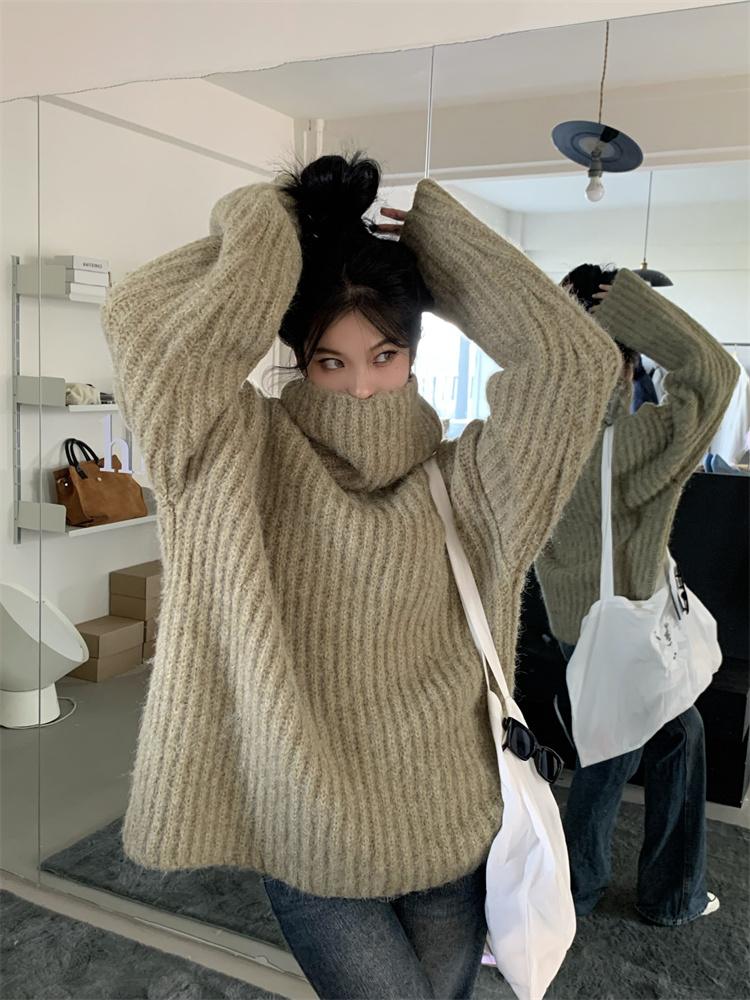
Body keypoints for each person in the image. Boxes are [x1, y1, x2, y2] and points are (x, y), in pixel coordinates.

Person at [100, 155, 622, 999]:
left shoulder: (476, 482)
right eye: (330, 361)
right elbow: (136, 322)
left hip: (450, 825)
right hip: (310, 838)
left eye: (384, 354)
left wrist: (438, 244)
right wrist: (276, 226)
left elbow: (575, 366)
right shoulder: (232, 455)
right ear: (297, 359)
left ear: (414, 352)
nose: (362, 388)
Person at [535, 262, 739, 927]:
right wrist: (636, 309)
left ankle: (624, 890)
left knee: (662, 737)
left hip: (577, 621)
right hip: (626, 623)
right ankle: (607, 895)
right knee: (614, 755)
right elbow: (716, 375)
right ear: (625, 367)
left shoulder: (540, 432)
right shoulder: (630, 445)